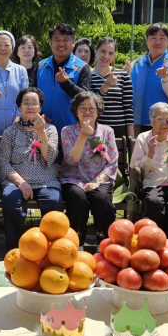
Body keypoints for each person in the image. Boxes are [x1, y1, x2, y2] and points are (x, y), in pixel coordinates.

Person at [0, 88, 62, 250]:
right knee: (10, 199)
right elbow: (4, 163)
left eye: (34, 103)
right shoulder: (10, 132)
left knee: (53, 201)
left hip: (46, 180)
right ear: (19, 107)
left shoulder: (50, 130)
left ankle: (50, 248)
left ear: (40, 108)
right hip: (16, 181)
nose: (30, 107)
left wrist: (41, 133)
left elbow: (50, 158)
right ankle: (15, 249)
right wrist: (21, 183)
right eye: (26, 103)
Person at [129, 102, 168, 256]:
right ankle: (156, 247)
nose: (165, 123)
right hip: (152, 184)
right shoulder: (143, 138)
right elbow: (136, 170)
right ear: (151, 121)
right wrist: (150, 154)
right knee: (154, 202)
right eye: (160, 119)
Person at [59, 92, 118, 246]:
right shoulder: (67, 131)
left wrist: (96, 182)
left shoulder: (107, 132)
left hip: (99, 179)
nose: (87, 112)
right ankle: (76, 243)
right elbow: (71, 161)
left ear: (98, 111)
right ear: (76, 111)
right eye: (83, 108)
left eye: (91, 108)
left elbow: (112, 163)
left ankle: (104, 243)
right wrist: (82, 136)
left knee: (103, 200)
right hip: (73, 178)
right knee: (77, 198)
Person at [124, 23, 168, 134]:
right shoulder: (137, 64)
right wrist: (125, 73)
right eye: (153, 38)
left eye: (162, 38)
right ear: (147, 40)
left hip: (162, 124)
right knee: (136, 151)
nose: (157, 42)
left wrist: (166, 78)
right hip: (135, 123)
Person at [37, 24, 91, 134]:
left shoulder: (82, 68)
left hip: (72, 132)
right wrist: (38, 114)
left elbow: (85, 98)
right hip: (43, 130)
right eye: (57, 40)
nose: (61, 44)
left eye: (65, 40)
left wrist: (66, 83)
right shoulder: (40, 66)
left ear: (73, 42)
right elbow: (33, 95)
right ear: (50, 42)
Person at [90, 37, 135, 140]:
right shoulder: (87, 76)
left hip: (119, 130)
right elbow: (90, 104)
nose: (106, 56)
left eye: (111, 53)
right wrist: (106, 86)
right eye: (103, 51)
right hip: (95, 129)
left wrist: (131, 138)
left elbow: (128, 107)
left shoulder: (123, 75)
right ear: (96, 51)